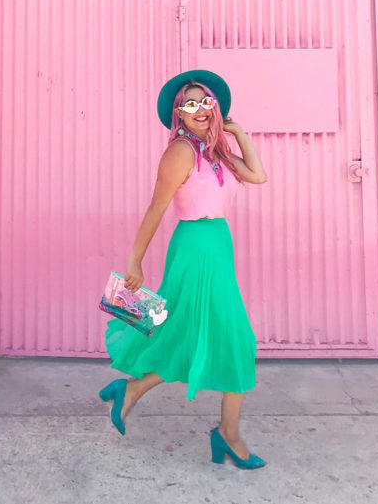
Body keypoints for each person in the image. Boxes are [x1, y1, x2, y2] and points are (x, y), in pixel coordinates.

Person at [98, 69, 268, 469]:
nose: (199, 109)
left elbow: (258, 175)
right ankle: (226, 434)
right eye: (189, 104)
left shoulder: (215, 152)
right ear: (179, 114)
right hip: (195, 248)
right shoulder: (180, 152)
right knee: (232, 338)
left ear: (215, 106)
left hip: (216, 245)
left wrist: (238, 133)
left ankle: (134, 391)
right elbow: (157, 207)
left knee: (190, 332)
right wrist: (135, 260)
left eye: (204, 100)